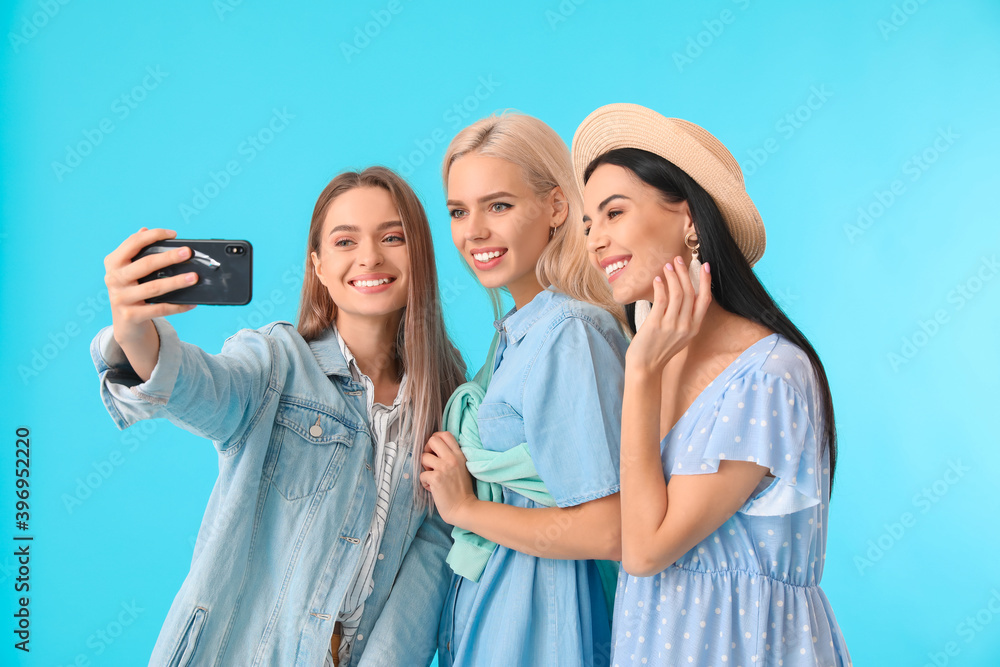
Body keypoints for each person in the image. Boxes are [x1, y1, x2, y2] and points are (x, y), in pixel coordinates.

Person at [90, 167, 465, 666]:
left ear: (420, 254)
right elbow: (196, 386)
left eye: (392, 237)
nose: (370, 256)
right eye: (345, 241)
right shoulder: (275, 363)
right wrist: (134, 330)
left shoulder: (446, 400)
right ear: (319, 265)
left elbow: (429, 565)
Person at [573, 103, 851, 666]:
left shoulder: (768, 376)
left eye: (614, 213)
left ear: (691, 221)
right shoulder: (652, 358)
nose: (595, 240)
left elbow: (646, 550)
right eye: (587, 223)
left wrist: (642, 373)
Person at [419, 112, 629, 667]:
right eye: (459, 212)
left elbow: (611, 529)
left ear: (557, 207)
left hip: (542, 620)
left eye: (499, 206)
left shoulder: (569, 332)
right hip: (499, 611)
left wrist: (463, 506)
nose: (474, 232)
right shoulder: (520, 330)